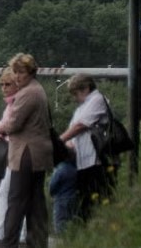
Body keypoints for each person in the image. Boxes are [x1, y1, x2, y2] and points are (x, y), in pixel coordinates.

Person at [0, 53, 53, 248]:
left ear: (31, 72)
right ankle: (37, 240)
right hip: (38, 152)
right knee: (35, 200)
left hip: (26, 153)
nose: (17, 76)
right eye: (15, 72)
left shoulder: (28, 93)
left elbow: (13, 123)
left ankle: (8, 242)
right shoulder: (37, 89)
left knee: (16, 199)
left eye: (21, 72)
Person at [56, 74, 110, 227]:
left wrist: (60, 140)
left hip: (95, 159)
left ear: (86, 88)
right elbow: (75, 128)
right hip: (83, 160)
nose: (75, 98)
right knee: (84, 201)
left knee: (93, 200)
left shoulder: (97, 99)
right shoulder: (83, 106)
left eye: (76, 93)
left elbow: (81, 126)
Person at [0, 70, 26, 247]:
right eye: (1, 84)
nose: (3, 88)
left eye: (7, 84)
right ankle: (13, 233)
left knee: (11, 193)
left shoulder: (20, 103)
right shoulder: (11, 104)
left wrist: (1, 127)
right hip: (15, 151)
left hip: (22, 153)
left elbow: (13, 125)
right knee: (10, 193)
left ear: (18, 84)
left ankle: (7, 233)